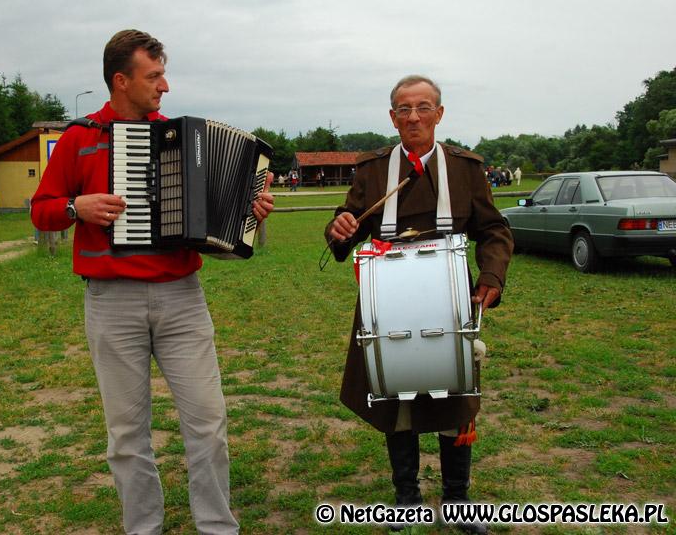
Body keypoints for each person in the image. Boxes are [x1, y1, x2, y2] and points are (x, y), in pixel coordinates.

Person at [30, 29, 274, 535]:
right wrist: (79, 207)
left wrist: (246, 211)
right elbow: (42, 211)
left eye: (164, 74)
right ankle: (143, 528)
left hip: (181, 298)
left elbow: (216, 215)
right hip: (110, 302)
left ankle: (216, 527)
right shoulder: (79, 138)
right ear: (121, 81)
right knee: (125, 434)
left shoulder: (185, 138)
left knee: (208, 422)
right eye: (154, 75)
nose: (165, 86)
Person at [325, 75, 512, 534]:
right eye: (403, 109)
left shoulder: (467, 169)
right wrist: (340, 229)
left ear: (439, 114)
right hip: (387, 303)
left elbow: (494, 230)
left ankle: (458, 500)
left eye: (423, 107)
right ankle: (406, 498)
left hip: (450, 301)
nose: (413, 117)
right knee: (396, 399)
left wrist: (491, 275)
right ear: (392, 117)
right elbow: (346, 224)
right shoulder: (371, 170)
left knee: (455, 399)